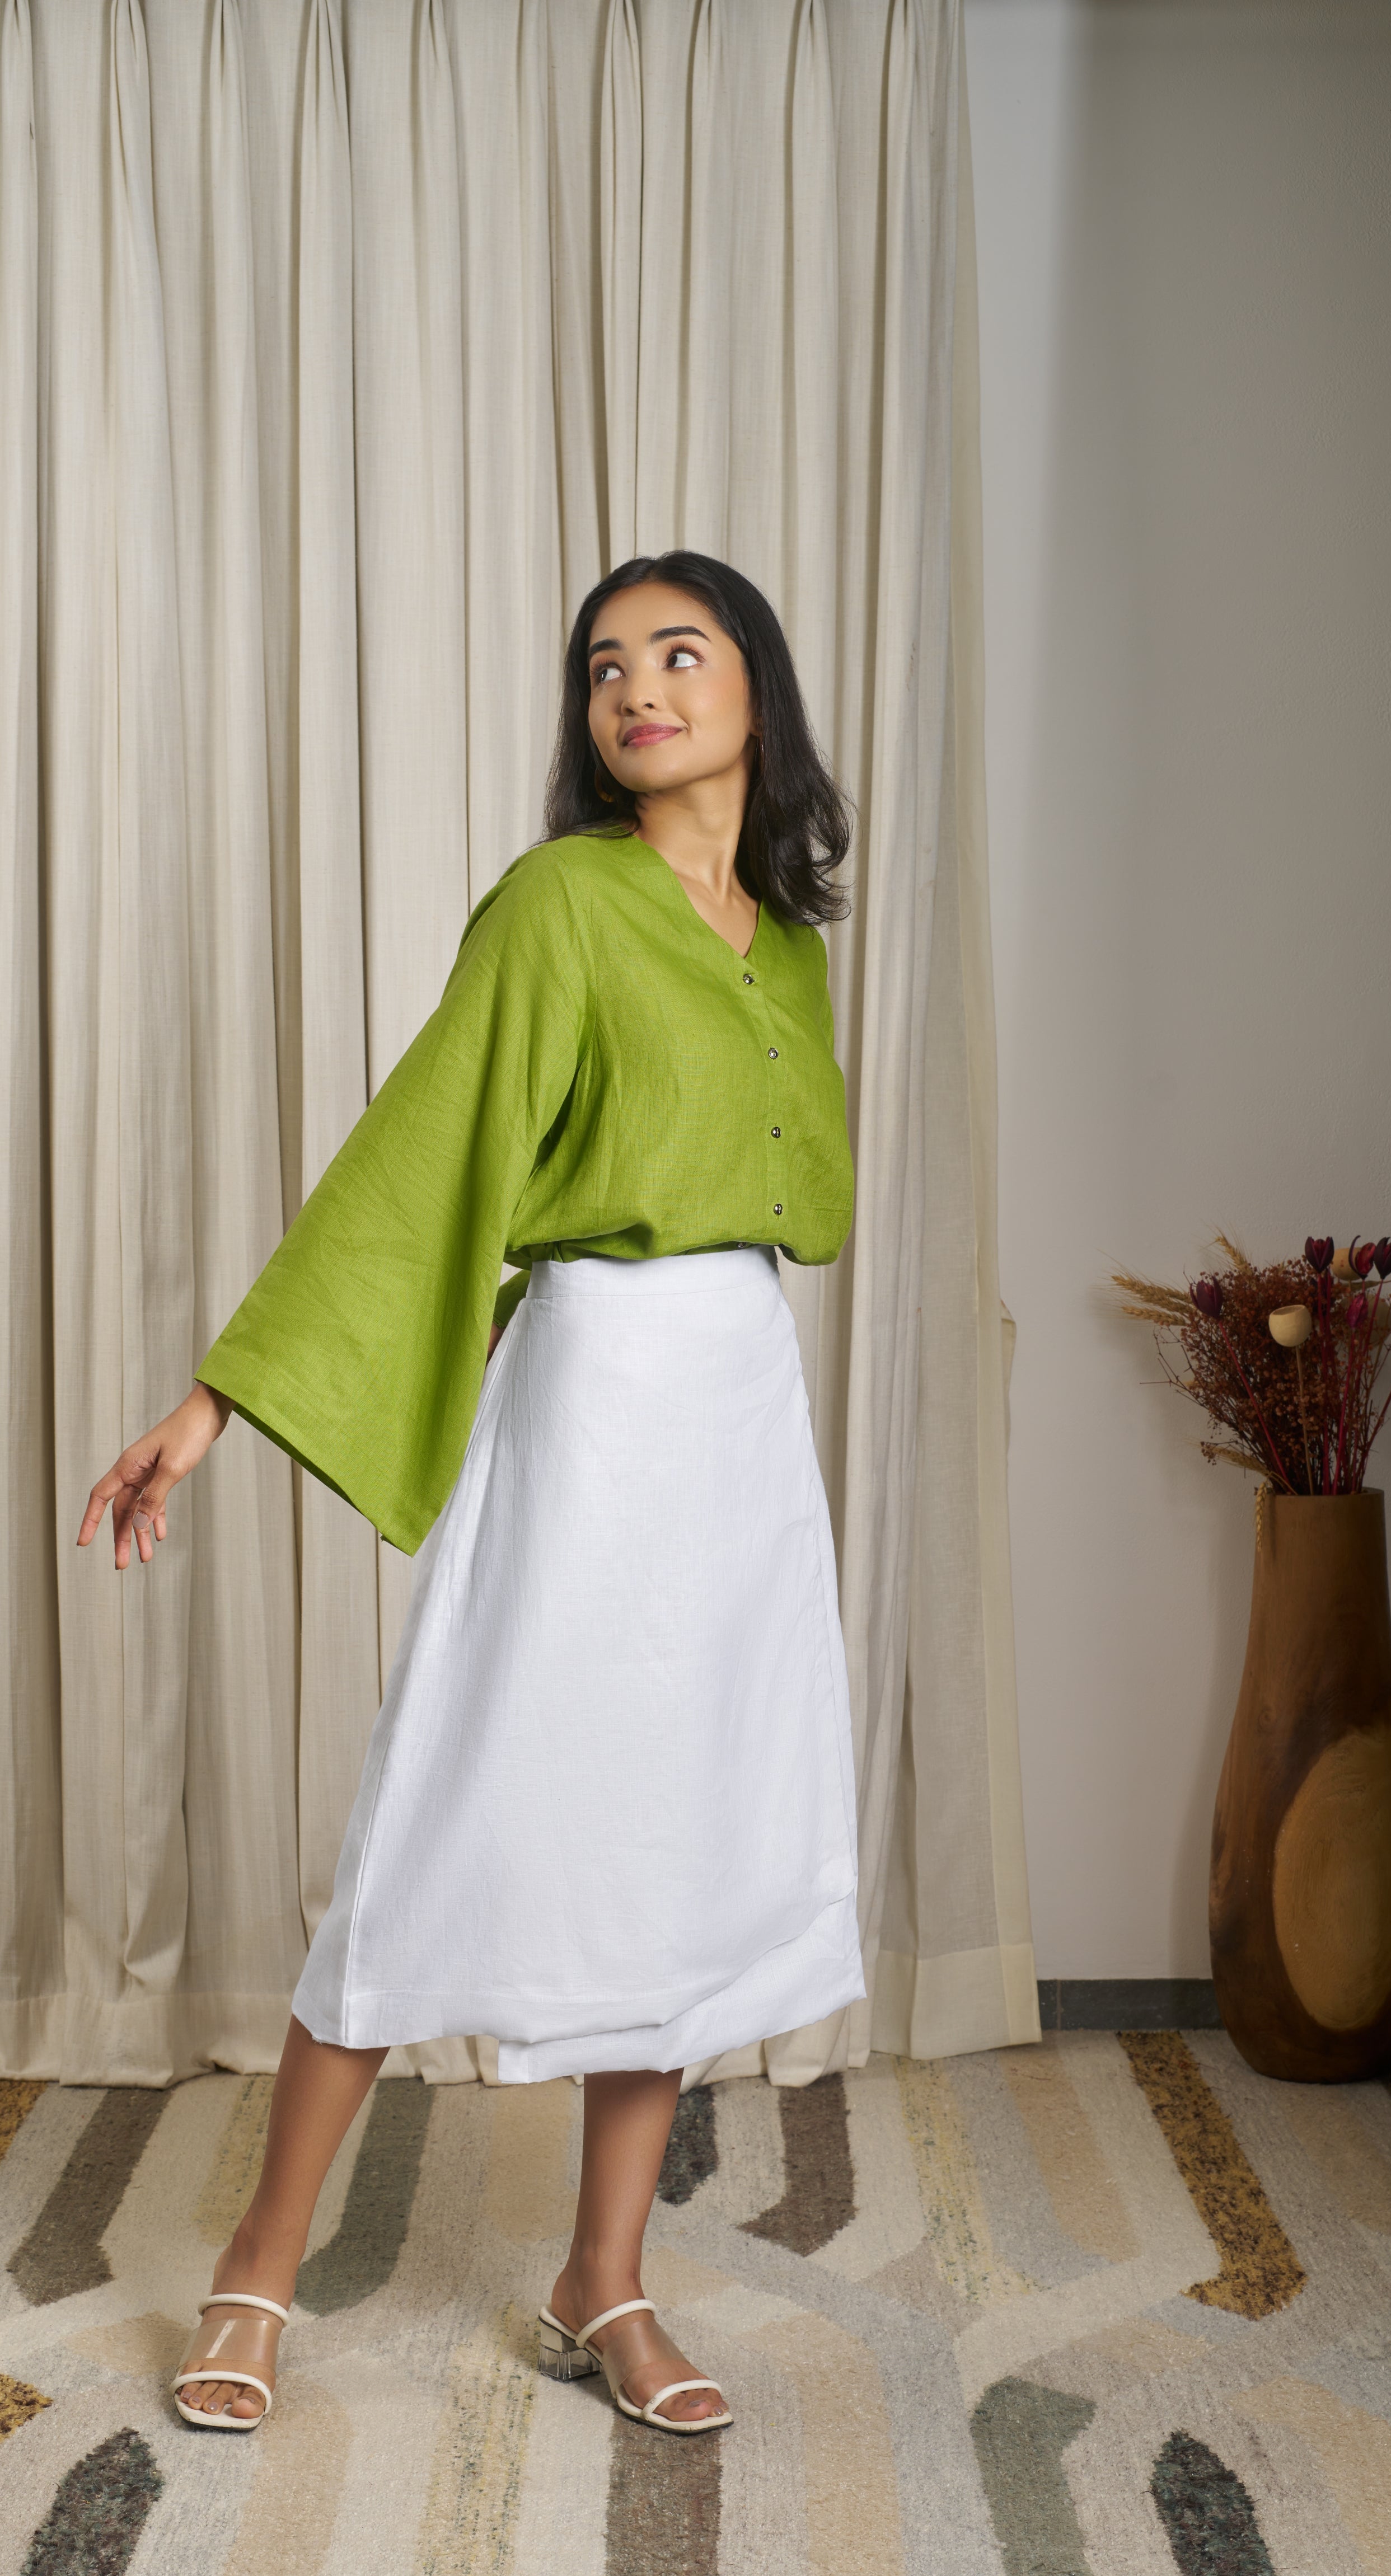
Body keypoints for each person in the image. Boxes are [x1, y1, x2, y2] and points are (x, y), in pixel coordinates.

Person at [77, 550, 861, 2438]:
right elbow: (419, 1155)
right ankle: (260, 2263)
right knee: (448, 1805)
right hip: (595, 1395)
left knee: (680, 1845)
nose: (636, 688)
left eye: (679, 653)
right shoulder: (561, 904)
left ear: (758, 690)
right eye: (605, 666)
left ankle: (609, 2280)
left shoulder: (789, 942)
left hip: (741, 1411)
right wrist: (216, 1405)